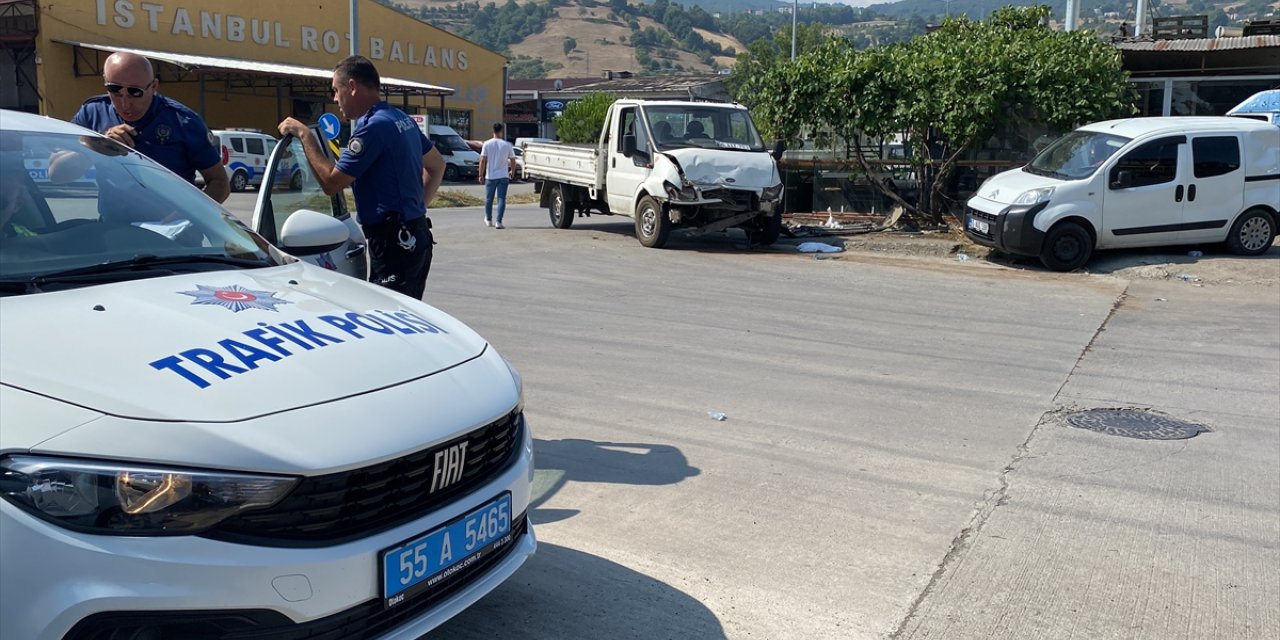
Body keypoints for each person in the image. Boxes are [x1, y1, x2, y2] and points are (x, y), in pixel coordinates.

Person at [278, 55, 445, 300]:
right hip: (414, 238)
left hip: (393, 245)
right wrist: (414, 212)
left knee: (387, 323)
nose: (335, 99)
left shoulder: (373, 128)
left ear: (352, 87)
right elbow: (437, 165)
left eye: (336, 90)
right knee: (405, 321)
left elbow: (331, 183)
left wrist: (305, 135)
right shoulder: (400, 119)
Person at [71, 52, 229, 203]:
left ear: (154, 86)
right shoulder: (93, 113)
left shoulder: (182, 121)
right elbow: (57, 173)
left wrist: (189, 218)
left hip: (169, 227)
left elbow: (220, 183)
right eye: (115, 90)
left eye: (135, 92)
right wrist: (95, 147)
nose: (125, 103)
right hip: (113, 224)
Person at [477, 122, 515, 229]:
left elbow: (483, 160)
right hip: (503, 175)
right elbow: (512, 160)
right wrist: (512, 170)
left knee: (489, 199)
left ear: (492, 131)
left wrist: (480, 174)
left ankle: (488, 219)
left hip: (491, 175)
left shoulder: (487, 144)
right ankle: (499, 221)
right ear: (501, 131)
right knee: (501, 199)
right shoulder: (507, 145)